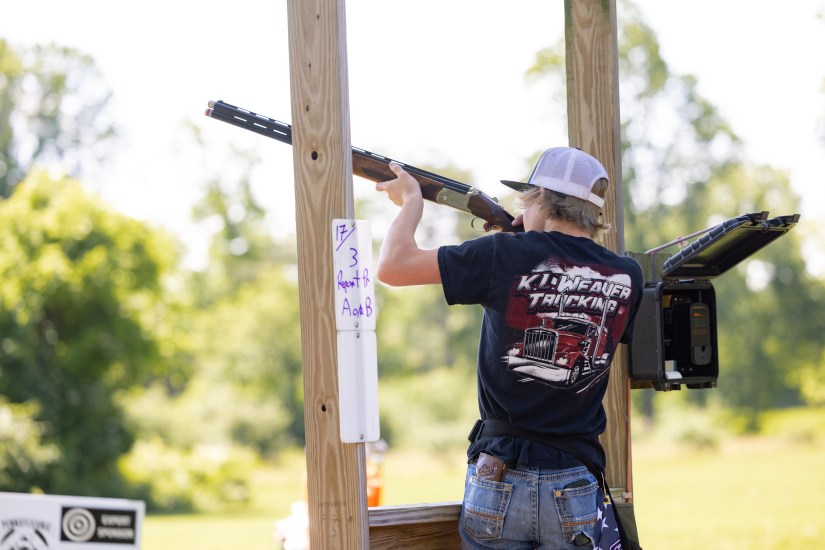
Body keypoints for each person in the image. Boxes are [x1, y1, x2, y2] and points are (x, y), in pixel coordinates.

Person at [375, 146, 644, 549]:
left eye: (528, 197)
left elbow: (392, 267)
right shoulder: (628, 274)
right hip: (574, 479)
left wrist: (411, 202)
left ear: (540, 199)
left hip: (497, 476)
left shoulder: (503, 254)